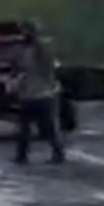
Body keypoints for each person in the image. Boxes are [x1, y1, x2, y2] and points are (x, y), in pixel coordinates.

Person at [11, 21, 65, 165]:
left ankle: (57, 153)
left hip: (43, 92)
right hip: (30, 92)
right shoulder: (23, 49)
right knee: (24, 127)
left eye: (25, 31)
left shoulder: (41, 48)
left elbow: (47, 68)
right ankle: (21, 155)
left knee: (48, 126)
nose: (23, 34)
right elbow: (17, 67)